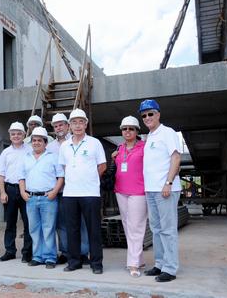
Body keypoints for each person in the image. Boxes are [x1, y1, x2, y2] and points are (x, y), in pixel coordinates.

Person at [58, 108, 106, 274]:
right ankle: (74, 261)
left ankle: (96, 263)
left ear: (86, 124)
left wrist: (90, 179)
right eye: (74, 122)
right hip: (70, 194)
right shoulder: (65, 145)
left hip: (90, 193)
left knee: (93, 229)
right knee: (72, 229)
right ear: (69, 125)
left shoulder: (94, 143)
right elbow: (63, 167)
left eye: (81, 122)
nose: (77, 125)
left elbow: (102, 166)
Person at [139, 99, 181, 283]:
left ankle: (170, 268)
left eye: (150, 114)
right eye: (144, 115)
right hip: (151, 190)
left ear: (158, 114)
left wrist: (168, 182)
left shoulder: (167, 133)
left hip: (165, 189)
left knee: (167, 229)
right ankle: (160, 263)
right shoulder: (150, 137)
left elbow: (176, 158)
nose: (147, 117)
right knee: (156, 229)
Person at [47, 113, 90, 265]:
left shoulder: (77, 141)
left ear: (67, 125)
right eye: (56, 125)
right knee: (61, 223)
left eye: (61, 124)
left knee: (81, 222)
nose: (59, 127)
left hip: (76, 189)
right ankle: (65, 252)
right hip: (57, 191)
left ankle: (83, 252)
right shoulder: (49, 147)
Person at [19, 127, 64, 269]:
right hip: (31, 198)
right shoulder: (25, 158)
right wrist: (22, 192)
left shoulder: (53, 157)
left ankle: (50, 258)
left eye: (40, 140)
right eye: (34, 140)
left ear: (45, 143)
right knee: (34, 229)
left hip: (48, 198)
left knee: (48, 228)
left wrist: (54, 192)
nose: (36, 143)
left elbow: (61, 177)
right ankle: (37, 256)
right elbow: (21, 177)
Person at [112, 116, 147, 277]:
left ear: (137, 131)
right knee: (127, 225)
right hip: (121, 190)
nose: (127, 131)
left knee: (136, 227)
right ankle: (138, 259)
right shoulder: (119, 149)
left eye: (131, 128)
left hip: (139, 191)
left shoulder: (144, 147)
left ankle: (133, 264)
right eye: (124, 128)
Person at [0, 122, 32, 263]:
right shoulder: (6, 152)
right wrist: (2, 192)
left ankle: (27, 252)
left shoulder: (29, 150)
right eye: (13, 134)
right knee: (10, 223)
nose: (16, 136)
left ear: (24, 135)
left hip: (26, 190)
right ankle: (10, 251)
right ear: (10, 136)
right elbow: (0, 174)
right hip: (9, 189)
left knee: (28, 223)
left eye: (19, 133)